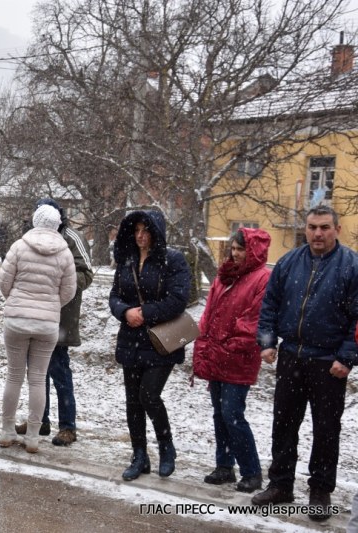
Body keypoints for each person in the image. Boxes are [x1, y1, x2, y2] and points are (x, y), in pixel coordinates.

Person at [251, 205, 358, 522]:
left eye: (324, 227)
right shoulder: (289, 262)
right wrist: (268, 342)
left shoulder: (351, 266)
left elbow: (357, 320)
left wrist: (346, 358)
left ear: (337, 229)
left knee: (326, 430)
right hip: (291, 356)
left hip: (328, 362)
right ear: (306, 228)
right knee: (283, 424)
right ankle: (281, 484)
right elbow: (269, 304)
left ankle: (320, 491)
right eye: (312, 227)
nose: (318, 233)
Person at [109, 210, 191, 481]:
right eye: (136, 231)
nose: (140, 236)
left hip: (160, 340)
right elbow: (115, 295)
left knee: (149, 395)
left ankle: (166, 447)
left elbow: (179, 299)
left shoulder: (173, 260)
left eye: (145, 230)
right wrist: (124, 312)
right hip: (131, 339)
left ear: (156, 232)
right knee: (133, 401)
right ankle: (139, 455)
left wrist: (145, 312)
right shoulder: (127, 259)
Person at [192, 228, 271, 493]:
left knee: (232, 414)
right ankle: (224, 466)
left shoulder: (262, 279)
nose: (236, 254)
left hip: (238, 358)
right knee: (219, 414)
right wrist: (205, 340)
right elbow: (209, 312)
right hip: (217, 353)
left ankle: (251, 471)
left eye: (241, 249)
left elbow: (253, 322)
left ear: (254, 251)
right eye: (233, 249)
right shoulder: (225, 275)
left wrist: (226, 343)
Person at [0, 204, 76, 454]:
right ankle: (32, 436)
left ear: (34, 221)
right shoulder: (64, 253)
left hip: (17, 320)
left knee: (14, 376)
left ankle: (8, 431)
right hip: (47, 324)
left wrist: (17, 300)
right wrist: (50, 305)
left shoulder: (19, 246)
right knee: (38, 380)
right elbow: (68, 291)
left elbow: (3, 281)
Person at [15, 198, 93, 446]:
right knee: (37, 372)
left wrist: (60, 285)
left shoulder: (71, 237)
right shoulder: (32, 237)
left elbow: (86, 273)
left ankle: (68, 427)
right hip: (35, 314)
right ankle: (40, 421)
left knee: (59, 370)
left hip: (62, 316)